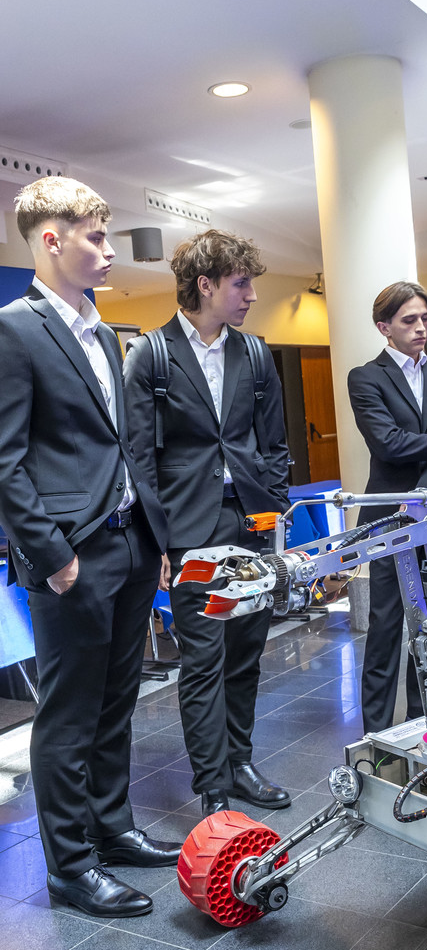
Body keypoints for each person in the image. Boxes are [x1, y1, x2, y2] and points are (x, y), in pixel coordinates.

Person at [0, 176, 180, 919]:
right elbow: (6, 460)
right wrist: (53, 556)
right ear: (51, 240)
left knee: (116, 700)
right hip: (71, 555)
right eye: (96, 237)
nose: (110, 251)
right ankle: (71, 868)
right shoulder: (14, 329)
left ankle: (112, 830)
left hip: (130, 542)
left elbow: (121, 443)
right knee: (68, 715)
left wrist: (154, 536)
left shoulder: (103, 332)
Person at [124, 230, 291, 817]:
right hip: (190, 527)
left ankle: (240, 763)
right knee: (203, 658)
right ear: (206, 284)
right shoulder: (152, 354)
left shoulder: (255, 353)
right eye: (241, 284)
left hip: (250, 520)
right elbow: (139, 457)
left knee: (246, 649)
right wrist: (158, 541)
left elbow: (274, 443)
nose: (251, 296)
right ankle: (213, 783)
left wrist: (274, 509)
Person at [348, 281, 427, 732]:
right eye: (409, 320)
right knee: (385, 625)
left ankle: (426, 720)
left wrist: (420, 497)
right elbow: (388, 444)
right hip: (387, 520)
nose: (422, 327)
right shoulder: (365, 377)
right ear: (384, 327)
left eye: (424, 318)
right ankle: (376, 734)